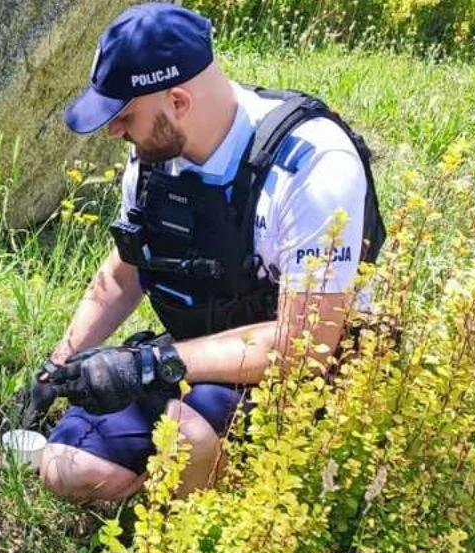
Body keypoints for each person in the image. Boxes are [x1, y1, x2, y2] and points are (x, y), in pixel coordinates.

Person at [22, 2, 386, 503]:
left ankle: (209, 532)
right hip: (203, 350)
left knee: (184, 438)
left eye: (124, 115)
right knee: (66, 469)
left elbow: (309, 344)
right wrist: (56, 367)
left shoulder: (312, 167)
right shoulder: (155, 155)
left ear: (178, 101)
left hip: (307, 375)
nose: (113, 131)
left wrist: (149, 366)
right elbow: (125, 274)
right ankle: (193, 485)